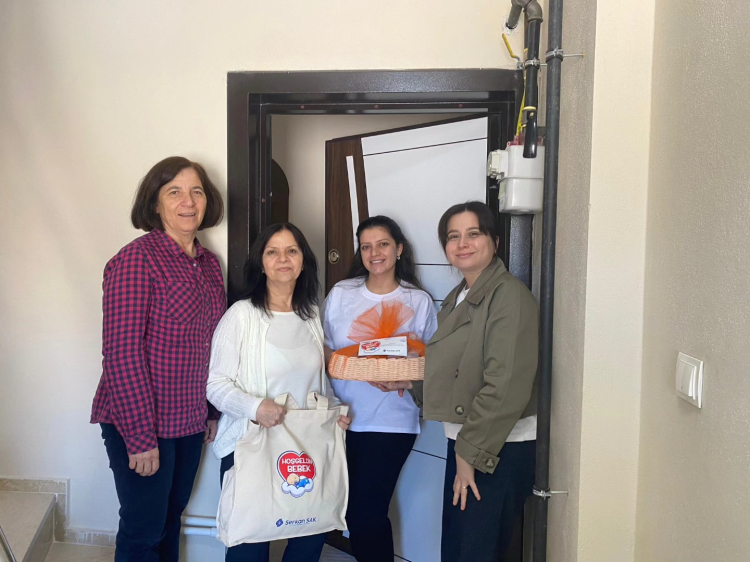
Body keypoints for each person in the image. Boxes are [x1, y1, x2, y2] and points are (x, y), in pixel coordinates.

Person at [379, 201, 539, 561]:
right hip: (469, 443)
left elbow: (505, 385)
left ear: (495, 241)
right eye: (453, 236)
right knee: (457, 548)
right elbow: (454, 368)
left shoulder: (508, 296)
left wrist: (469, 454)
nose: (462, 244)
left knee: (473, 551)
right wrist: (409, 382)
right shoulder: (460, 297)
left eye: (473, 234)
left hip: (495, 448)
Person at [90, 156, 226, 562]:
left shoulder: (209, 265)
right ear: (155, 203)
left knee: (170, 519)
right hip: (142, 421)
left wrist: (211, 411)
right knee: (144, 528)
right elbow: (121, 353)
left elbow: (211, 345)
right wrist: (140, 438)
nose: (189, 201)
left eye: (197, 191)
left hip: (190, 420)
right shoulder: (136, 260)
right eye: (175, 192)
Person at [207, 222, 351, 562]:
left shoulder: (311, 315)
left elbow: (317, 381)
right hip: (252, 445)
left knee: (308, 536)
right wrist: (256, 407)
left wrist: (335, 411)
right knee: (249, 545)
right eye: (272, 252)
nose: (283, 259)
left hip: (305, 448)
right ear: (261, 263)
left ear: (303, 262)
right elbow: (216, 384)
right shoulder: (241, 316)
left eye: (291, 251)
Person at [323, 216, 438, 562]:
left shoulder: (418, 300)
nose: (375, 253)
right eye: (367, 246)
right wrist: (348, 364)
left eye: (383, 244)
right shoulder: (342, 293)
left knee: (366, 515)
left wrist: (403, 374)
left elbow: (433, 361)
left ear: (399, 249)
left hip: (392, 422)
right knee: (348, 511)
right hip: (341, 418)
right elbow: (322, 347)